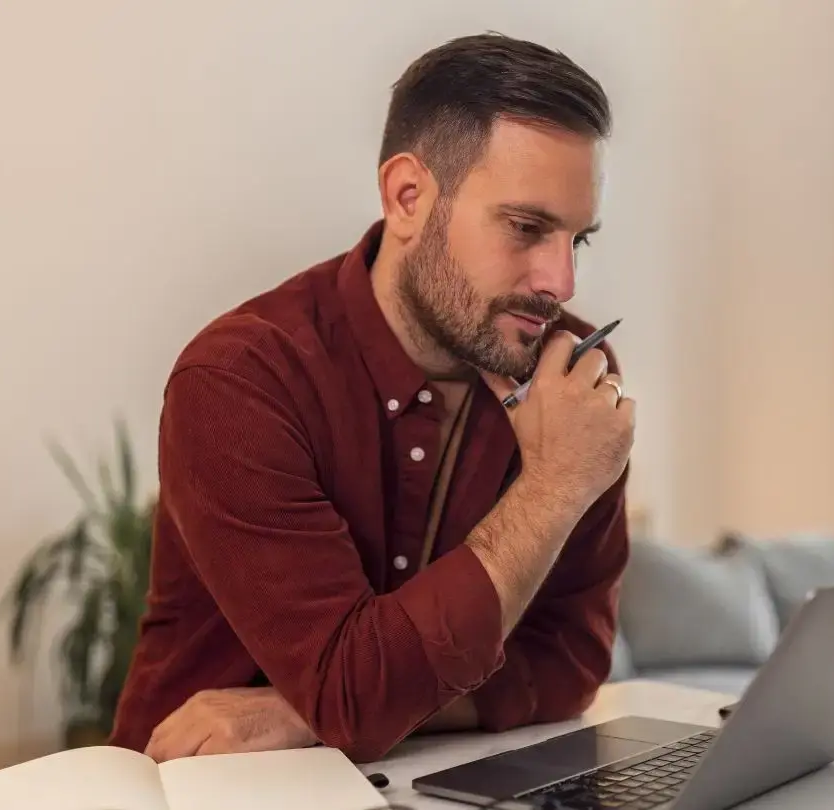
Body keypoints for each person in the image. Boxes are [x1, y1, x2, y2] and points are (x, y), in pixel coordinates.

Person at [108, 32, 635, 764]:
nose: (560, 282)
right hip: (204, 787)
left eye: (576, 240)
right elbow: (355, 696)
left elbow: (569, 664)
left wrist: (315, 711)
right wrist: (553, 487)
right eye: (525, 228)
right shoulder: (241, 380)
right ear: (409, 197)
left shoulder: (568, 375)